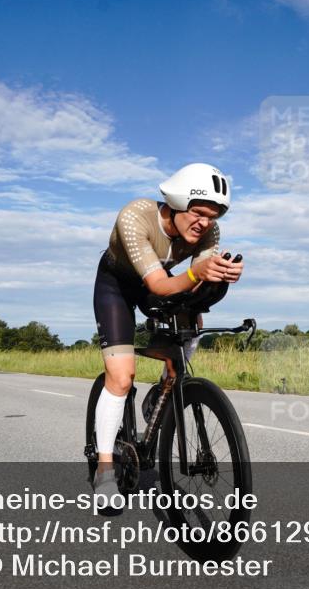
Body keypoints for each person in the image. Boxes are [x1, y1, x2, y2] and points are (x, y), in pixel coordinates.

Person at [91, 163, 243, 498]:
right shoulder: (135, 216)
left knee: (191, 329)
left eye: (213, 216)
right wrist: (195, 275)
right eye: (198, 213)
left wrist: (217, 278)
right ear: (175, 203)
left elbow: (192, 284)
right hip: (117, 286)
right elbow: (161, 285)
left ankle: (163, 388)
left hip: (158, 282)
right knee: (121, 376)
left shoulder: (209, 233)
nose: (204, 223)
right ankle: (104, 471)